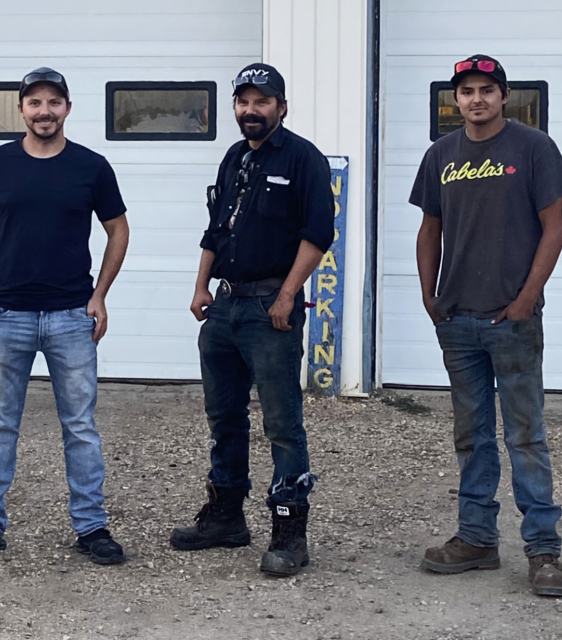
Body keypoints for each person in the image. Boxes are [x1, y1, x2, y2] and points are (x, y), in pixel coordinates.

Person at [0, 68, 130, 566]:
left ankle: (91, 527)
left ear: (67, 108)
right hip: (7, 315)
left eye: (54, 102)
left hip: (73, 315)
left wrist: (100, 295)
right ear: (21, 109)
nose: (44, 111)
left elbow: (118, 229)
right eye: (35, 102)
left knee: (81, 427)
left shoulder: (91, 166)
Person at [410, 55, 562, 597]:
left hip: (512, 320)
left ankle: (544, 550)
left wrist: (528, 298)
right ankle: (477, 539)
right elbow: (428, 229)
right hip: (457, 320)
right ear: (454, 101)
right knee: (472, 437)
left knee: (525, 435)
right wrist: (430, 297)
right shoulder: (441, 155)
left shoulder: (532, 148)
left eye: (486, 90)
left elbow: (554, 228)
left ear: (504, 96)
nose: (476, 99)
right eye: (466, 92)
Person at [169, 63, 334, 577]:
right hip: (225, 305)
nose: (251, 110)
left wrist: (287, 296)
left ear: (281, 107)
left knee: (283, 425)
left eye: (262, 101)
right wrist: (201, 286)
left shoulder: (303, 159)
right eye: (243, 102)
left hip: (270, 310)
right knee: (224, 418)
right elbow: (215, 229)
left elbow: (318, 234)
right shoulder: (234, 157)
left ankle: (289, 531)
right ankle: (225, 517)